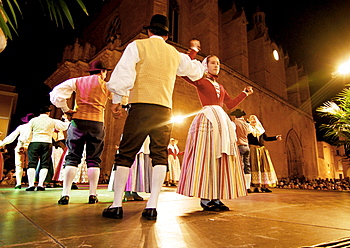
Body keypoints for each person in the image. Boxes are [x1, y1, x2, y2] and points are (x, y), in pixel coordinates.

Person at [103, 14, 204, 220]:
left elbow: (124, 74)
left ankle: (116, 206)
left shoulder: (137, 46)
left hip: (140, 106)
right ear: (167, 35)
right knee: (160, 155)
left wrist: (117, 99)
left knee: (126, 153)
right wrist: (193, 53)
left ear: (149, 31)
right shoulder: (174, 54)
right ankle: (152, 206)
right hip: (164, 109)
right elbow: (196, 72)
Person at [176, 53, 253, 211]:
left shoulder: (222, 87)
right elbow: (183, 73)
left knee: (220, 158)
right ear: (206, 65)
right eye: (212, 63)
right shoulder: (201, 80)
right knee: (207, 156)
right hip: (208, 120)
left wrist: (244, 93)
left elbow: (230, 104)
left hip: (222, 122)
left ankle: (216, 197)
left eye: (218, 63)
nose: (216, 65)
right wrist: (192, 54)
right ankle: (205, 198)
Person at [50, 60, 112, 204]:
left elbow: (56, 94)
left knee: (72, 157)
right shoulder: (107, 85)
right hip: (97, 122)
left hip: (78, 121)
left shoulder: (77, 81)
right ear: (103, 71)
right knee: (94, 159)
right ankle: (92, 194)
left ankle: (65, 194)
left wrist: (66, 110)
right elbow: (121, 95)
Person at [19, 106, 70, 191]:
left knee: (32, 164)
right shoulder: (52, 121)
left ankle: (31, 185)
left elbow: (27, 133)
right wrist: (66, 120)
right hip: (47, 143)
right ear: (48, 112)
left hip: (35, 142)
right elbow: (64, 126)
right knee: (44, 164)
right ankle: (40, 184)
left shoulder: (33, 120)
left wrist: (22, 142)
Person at [247, 115, 282, 193]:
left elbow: (266, 138)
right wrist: (248, 123)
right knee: (255, 167)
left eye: (254, 119)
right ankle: (255, 186)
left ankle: (264, 186)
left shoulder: (260, 130)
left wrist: (275, 137)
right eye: (251, 119)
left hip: (262, 150)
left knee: (264, 167)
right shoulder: (249, 129)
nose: (253, 120)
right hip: (253, 149)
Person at [0, 113, 34, 189]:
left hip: (20, 146)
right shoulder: (34, 128)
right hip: (30, 147)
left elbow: (12, 136)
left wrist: (3, 143)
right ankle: (30, 184)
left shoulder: (22, 127)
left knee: (19, 165)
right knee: (30, 165)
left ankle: (18, 183)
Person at [230, 109, 252, 193]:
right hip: (246, 146)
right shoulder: (246, 124)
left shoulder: (234, 123)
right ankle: (247, 186)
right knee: (247, 166)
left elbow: (232, 133)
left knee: (239, 166)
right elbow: (250, 131)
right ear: (242, 116)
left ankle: (239, 186)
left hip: (239, 145)